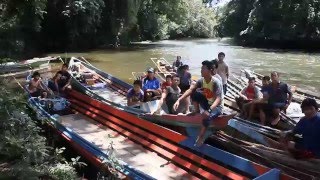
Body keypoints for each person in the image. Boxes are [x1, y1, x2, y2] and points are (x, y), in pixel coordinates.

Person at [173, 60, 223, 146]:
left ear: (210, 70)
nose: (201, 70)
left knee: (206, 117)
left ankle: (201, 137)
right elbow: (190, 90)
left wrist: (209, 110)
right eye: (201, 68)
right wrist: (179, 100)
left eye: (203, 69)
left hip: (217, 107)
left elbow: (218, 99)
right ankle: (196, 111)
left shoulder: (216, 82)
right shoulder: (201, 81)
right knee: (194, 92)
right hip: (207, 103)